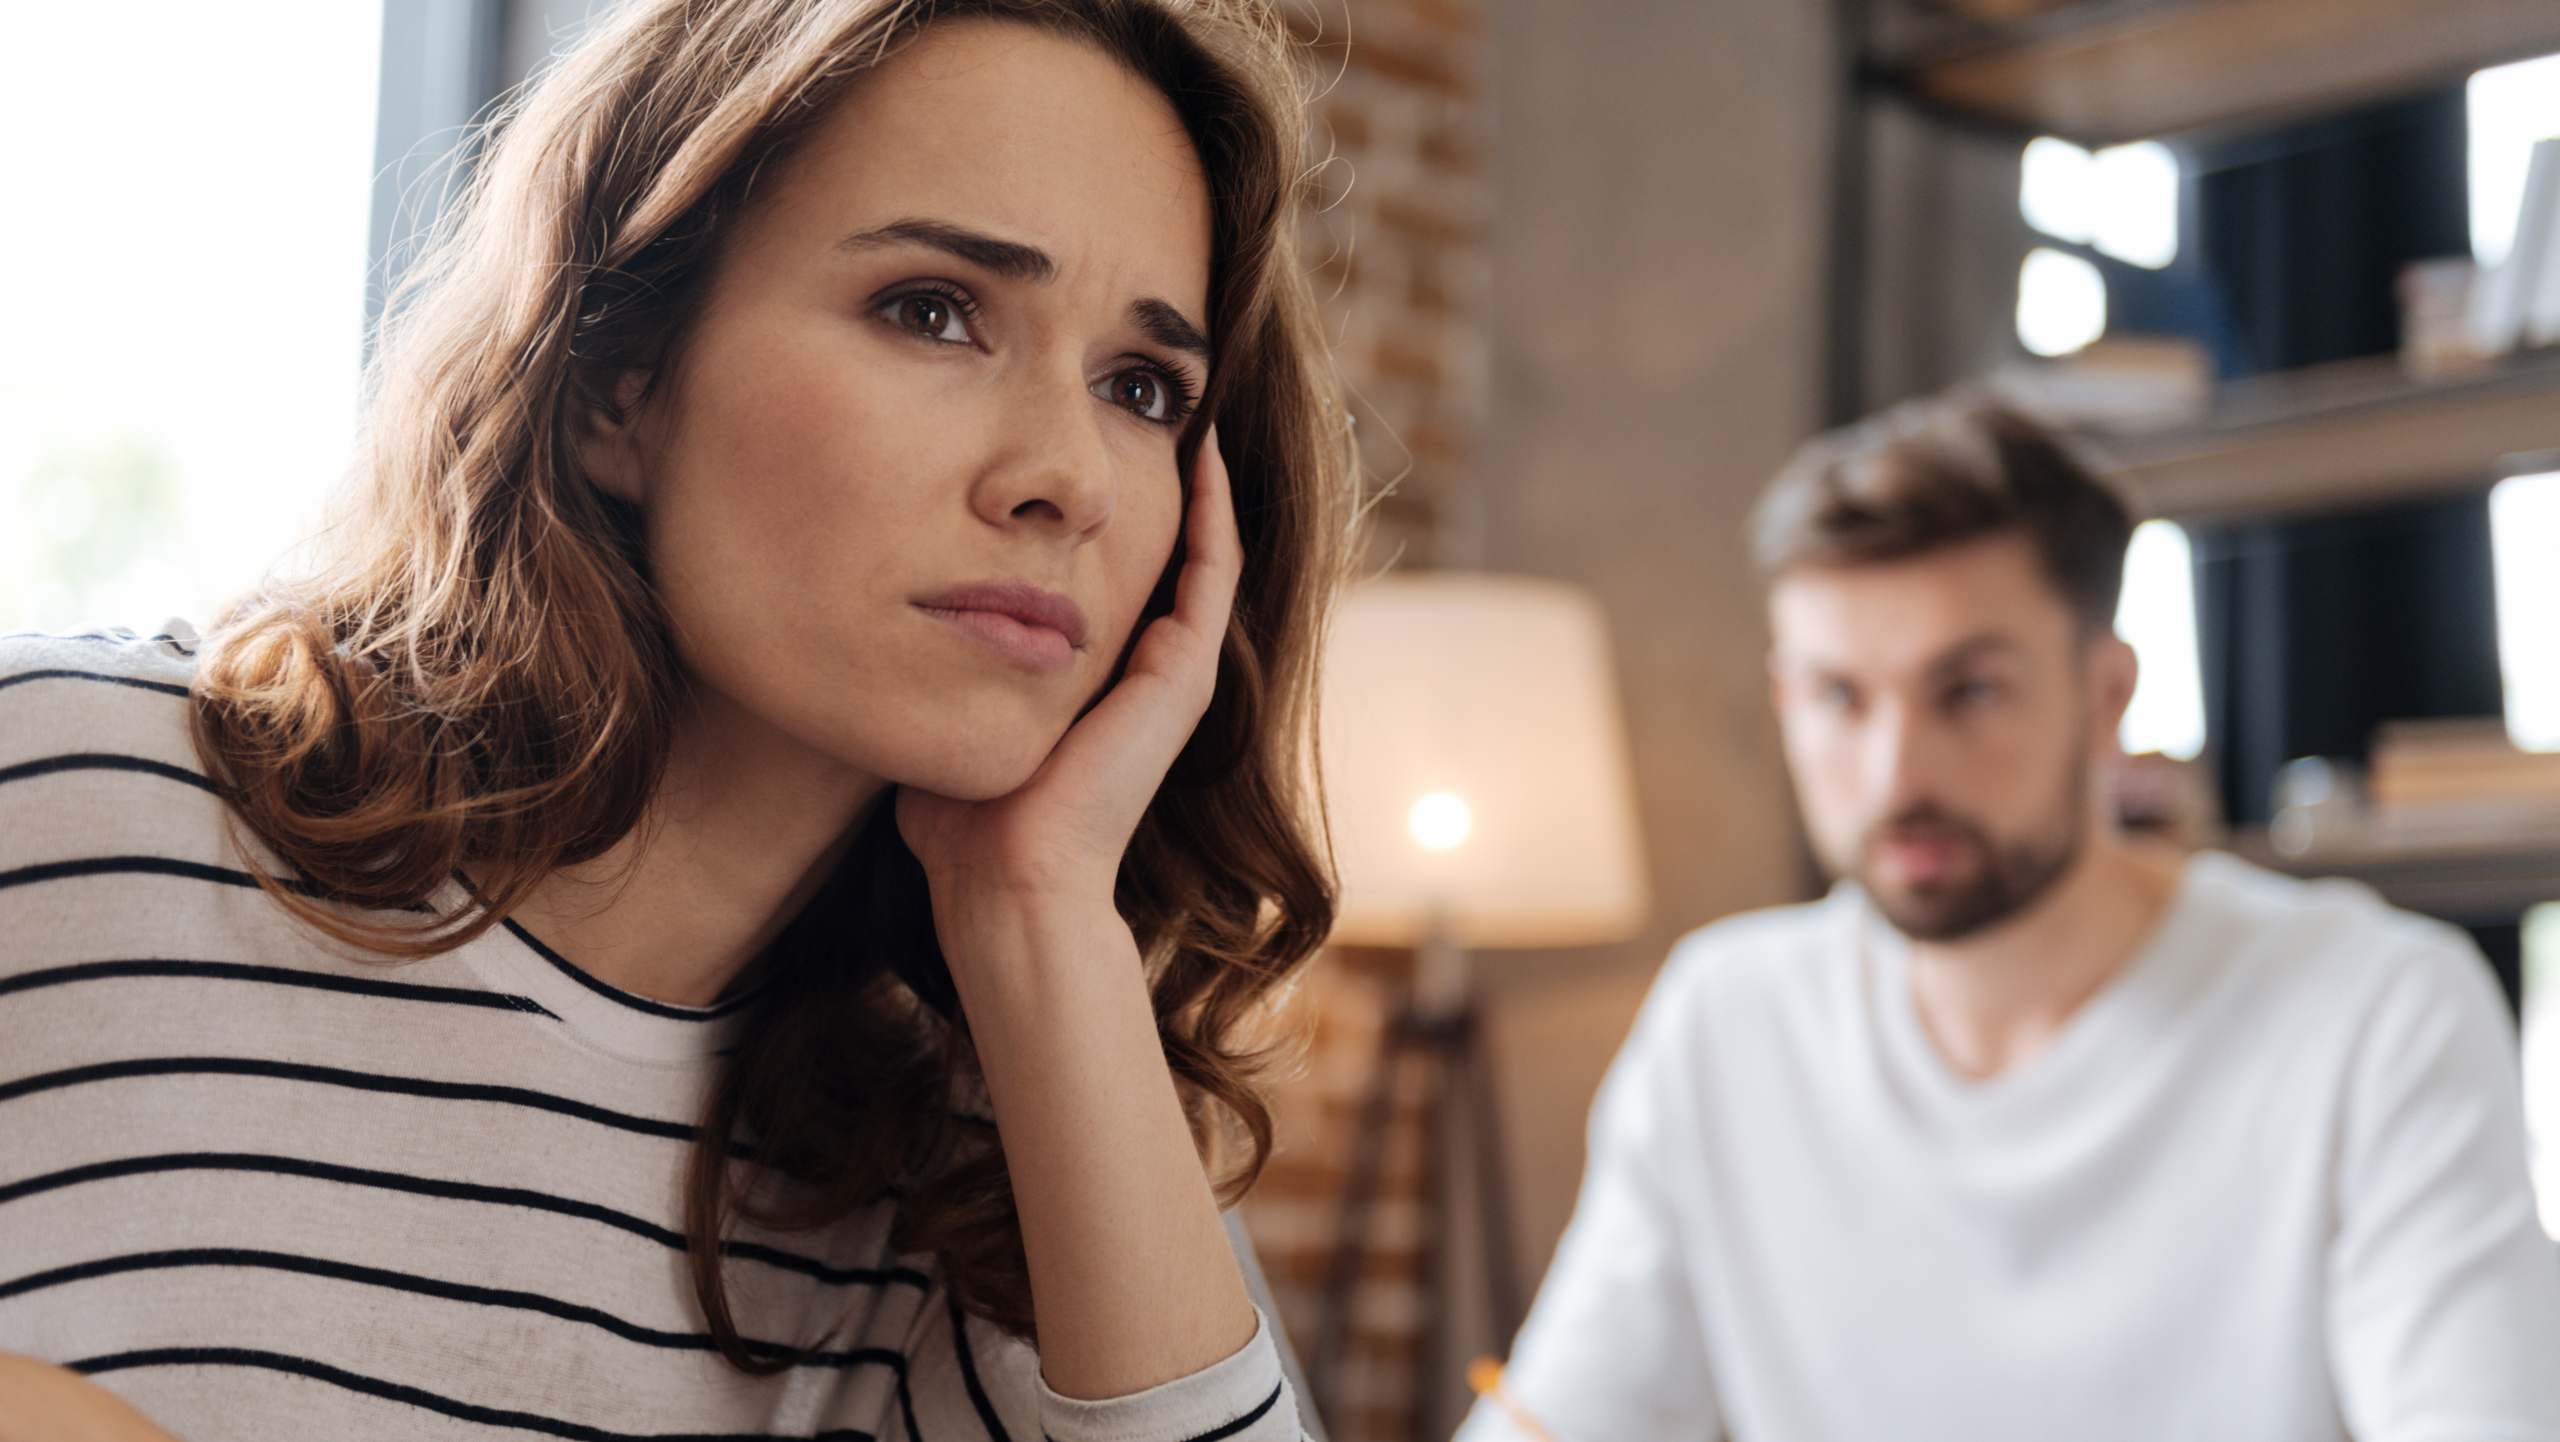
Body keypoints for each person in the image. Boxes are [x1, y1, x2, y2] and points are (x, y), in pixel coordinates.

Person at [0, 1, 1350, 1438]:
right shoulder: (60, 796)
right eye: (932, 310)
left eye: (1142, 389)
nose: (1069, 476)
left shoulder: (1026, 1156)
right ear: (618, 379)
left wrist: (1039, 904)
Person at [1458, 399, 2560, 1442]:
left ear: (2106, 697)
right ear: (1786, 700)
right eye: (1840, 696)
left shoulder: (2375, 1010)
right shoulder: (1727, 1016)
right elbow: (1562, 1417)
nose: (1896, 773)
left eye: (1969, 690)